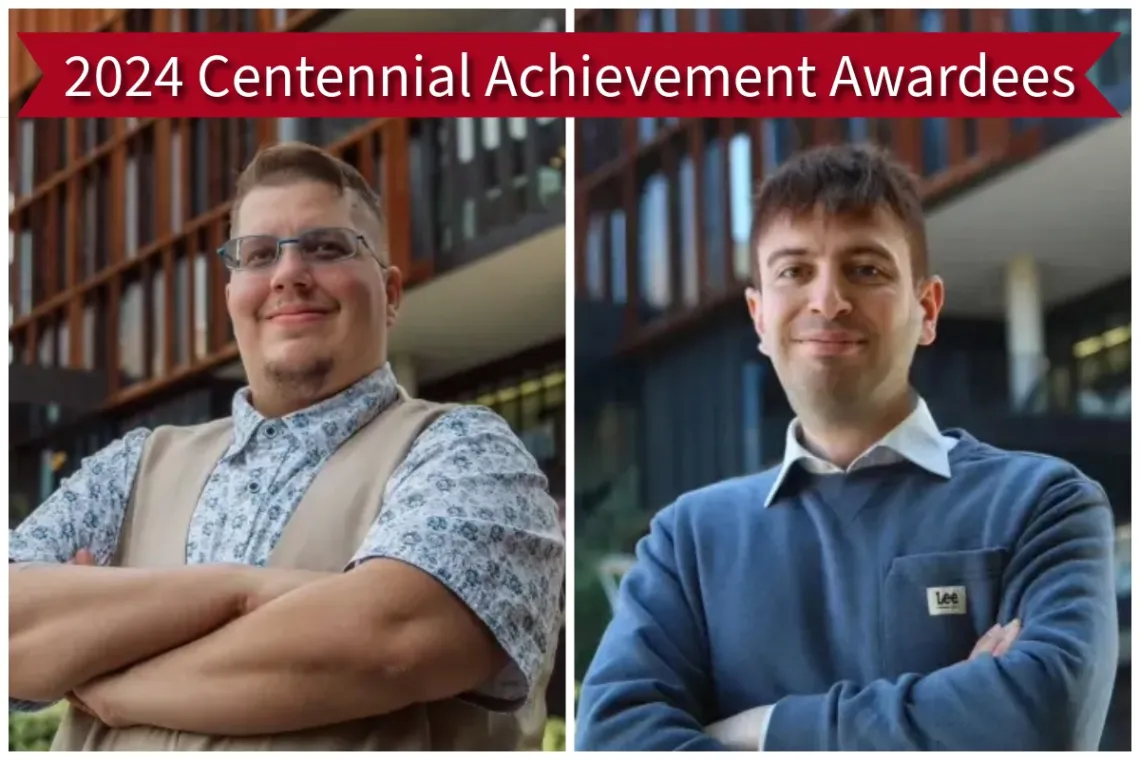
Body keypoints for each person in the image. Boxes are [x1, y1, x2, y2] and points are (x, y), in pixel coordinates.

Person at [10, 142, 565, 751]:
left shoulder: (467, 452)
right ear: (231, 300)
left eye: (328, 247)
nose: (289, 274)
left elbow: (387, 645)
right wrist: (240, 590)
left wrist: (108, 674)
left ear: (393, 294)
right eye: (258, 255)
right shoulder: (132, 465)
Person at [575, 144, 1117, 751]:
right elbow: (613, 740)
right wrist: (948, 714)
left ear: (928, 308)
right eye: (793, 271)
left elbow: (1044, 718)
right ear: (758, 316)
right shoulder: (689, 541)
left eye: (866, 269)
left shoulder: (1042, 505)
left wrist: (763, 729)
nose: (828, 301)